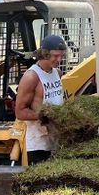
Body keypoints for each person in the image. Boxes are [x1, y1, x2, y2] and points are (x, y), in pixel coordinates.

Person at [15, 34, 67, 165]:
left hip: (56, 140)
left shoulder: (57, 72)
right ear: (44, 54)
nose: (59, 59)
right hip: (39, 145)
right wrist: (45, 116)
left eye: (62, 55)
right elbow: (20, 112)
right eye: (56, 56)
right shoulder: (31, 77)